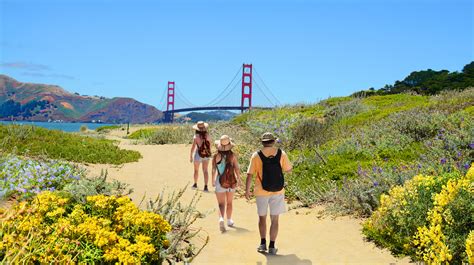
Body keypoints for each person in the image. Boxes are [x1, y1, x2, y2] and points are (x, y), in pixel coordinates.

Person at [245, 132, 292, 255]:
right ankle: (272, 246)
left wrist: (247, 191)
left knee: (262, 218)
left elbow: (250, 174)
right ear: (273, 141)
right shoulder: (282, 153)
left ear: (262, 142)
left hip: (261, 191)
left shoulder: (256, 155)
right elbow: (288, 170)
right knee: (275, 219)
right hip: (277, 190)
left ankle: (262, 243)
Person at [211, 135, 242, 232]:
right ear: (229, 145)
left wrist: (212, 180)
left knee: (221, 204)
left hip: (220, 181)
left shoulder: (216, 156)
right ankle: (229, 220)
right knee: (229, 203)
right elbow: (237, 168)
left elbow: (213, 169)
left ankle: (221, 219)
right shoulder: (232, 155)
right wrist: (239, 179)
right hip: (231, 181)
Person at [189, 121, 212, 191]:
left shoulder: (196, 136)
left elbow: (193, 147)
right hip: (206, 154)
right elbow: (210, 146)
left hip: (198, 154)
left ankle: (195, 184)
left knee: (196, 170)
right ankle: (206, 187)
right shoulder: (208, 135)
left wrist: (190, 155)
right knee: (205, 171)